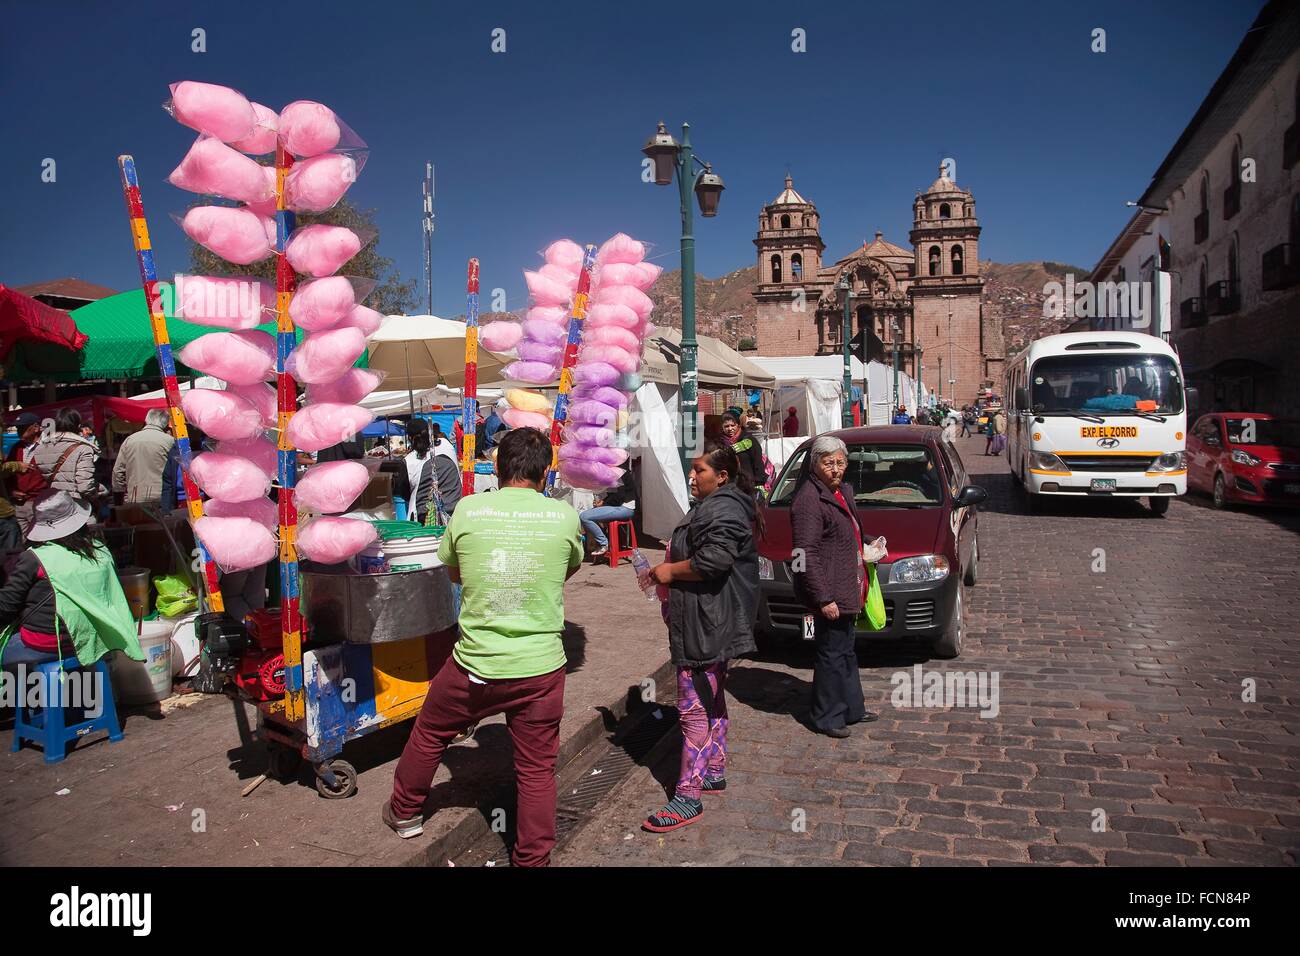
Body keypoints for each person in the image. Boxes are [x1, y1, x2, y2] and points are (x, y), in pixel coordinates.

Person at [384, 427, 584, 866]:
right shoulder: (564, 517)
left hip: (474, 664)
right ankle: (532, 859)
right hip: (541, 667)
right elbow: (566, 569)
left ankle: (405, 813)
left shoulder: (469, 510)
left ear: (497, 467)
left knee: (431, 732)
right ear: (545, 471)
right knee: (535, 769)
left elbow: (454, 572)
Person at [642, 440, 758, 832]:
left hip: (705, 623)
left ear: (722, 476)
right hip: (713, 619)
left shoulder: (722, 508)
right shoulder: (721, 504)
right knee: (712, 698)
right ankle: (715, 769)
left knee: (693, 706)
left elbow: (713, 561)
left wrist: (669, 572)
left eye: (699, 470)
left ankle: (687, 796)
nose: (692, 476)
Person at [790, 435, 876, 737]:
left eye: (841, 463)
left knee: (846, 651)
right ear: (815, 465)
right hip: (829, 591)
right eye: (829, 463)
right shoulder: (809, 501)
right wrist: (822, 596)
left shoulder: (839, 492)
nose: (836, 469)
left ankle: (852, 707)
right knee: (831, 654)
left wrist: (867, 543)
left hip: (847, 585)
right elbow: (803, 552)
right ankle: (826, 716)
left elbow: (847, 531)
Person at [0, 490, 143, 670]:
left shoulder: (35, 558)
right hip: (94, 638)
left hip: (49, 643)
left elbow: (6, 606)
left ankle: (25, 696)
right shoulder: (100, 550)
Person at [29, 409, 99, 513]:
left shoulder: (40, 448)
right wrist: (97, 496)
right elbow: (84, 486)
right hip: (76, 506)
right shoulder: (84, 449)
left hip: (51, 504)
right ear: (78, 425)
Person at [113, 408, 175, 504]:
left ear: (147, 420)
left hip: (136, 496)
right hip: (163, 497)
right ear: (166, 423)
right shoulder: (170, 441)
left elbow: (118, 472)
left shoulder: (129, 440)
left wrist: (118, 498)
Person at [404, 419, 461, 523]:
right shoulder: (447, 446)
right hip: (454, 512)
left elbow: (405, 493)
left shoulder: (409, 461)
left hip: (424, 519)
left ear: (410, 438)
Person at [1, 414, 40, 551]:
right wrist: (12, 491)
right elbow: (6, 475)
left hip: (38, 503)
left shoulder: (45, 447)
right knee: (22, 546)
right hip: (18, 504)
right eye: (18, 428)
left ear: (36, 428)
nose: (19, 432)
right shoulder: (16, 448)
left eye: (23, 428)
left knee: (40, 543)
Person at [579, 466, 637, 559]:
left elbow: (620, 496)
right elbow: (614, 495)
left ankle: (604, 543)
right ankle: (607, 542)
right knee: (591, 516)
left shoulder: (619, 472)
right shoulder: (618, 471)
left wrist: (604, 503)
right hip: (622, 507)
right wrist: (603, 502)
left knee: (584, 516)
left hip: (625, 508)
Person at [720, 410, 764, 488]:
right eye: (726, 426)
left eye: (733, 425)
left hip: (749, 486)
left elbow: (758, 464)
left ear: (738, 425)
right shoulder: (720, 444)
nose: (730, 429)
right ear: (722, 427)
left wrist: (758, 483)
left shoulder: (749, 441)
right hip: (728, 487)